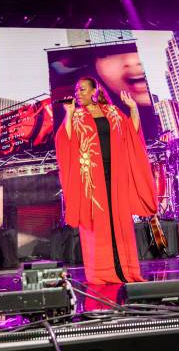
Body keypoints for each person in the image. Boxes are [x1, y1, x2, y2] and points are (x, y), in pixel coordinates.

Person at [54, 77, 158, 284]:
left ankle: (125, 270)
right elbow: (65, 140)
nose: (78, 93)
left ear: (95, 90)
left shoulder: (113, 112)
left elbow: (131, 134)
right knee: (98, 223)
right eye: (77, 90)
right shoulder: (77, 116)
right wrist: (69, 113)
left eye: (82, 89)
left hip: (117, 175)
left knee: (120, 221)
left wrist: (133, 109)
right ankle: (102, 272)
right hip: (92, 178)